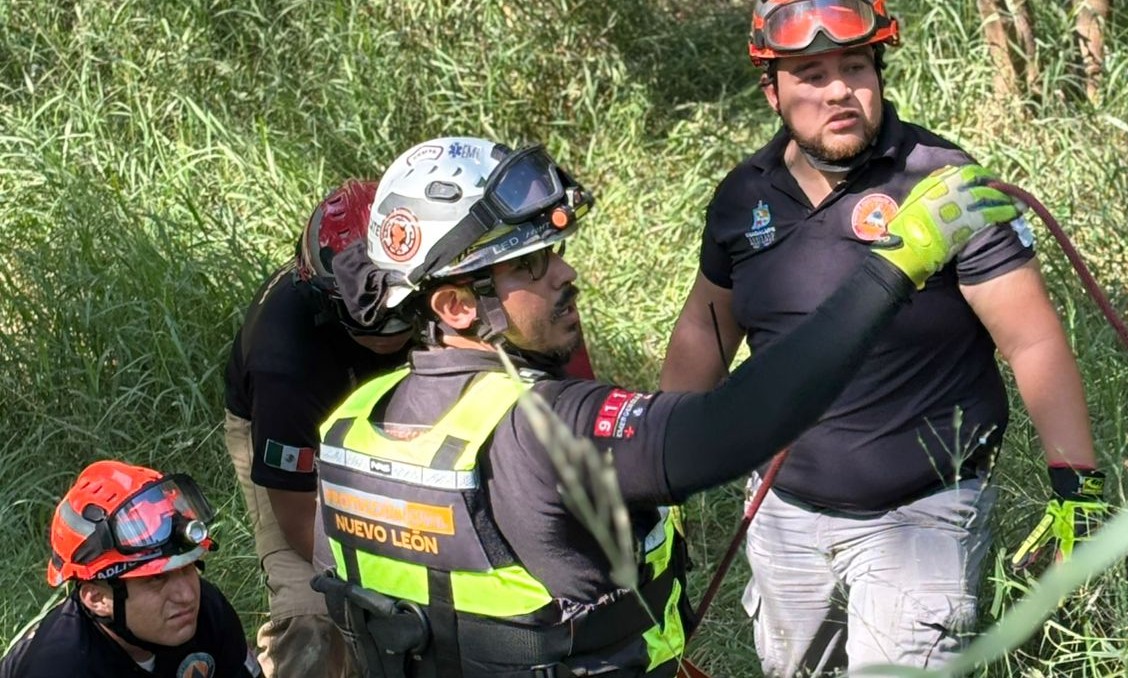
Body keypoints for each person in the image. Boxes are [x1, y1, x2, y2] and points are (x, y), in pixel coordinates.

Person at [307, 135, 1022, 677]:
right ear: (458, 304)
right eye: (531, 265)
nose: (568, 274)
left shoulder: (349, 429)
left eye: (556, 251)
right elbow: (735, 425)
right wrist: (891, 269)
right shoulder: (544, 427)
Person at [659, 1, 1108, 675]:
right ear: (771, 89)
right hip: (783, 508)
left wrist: (1078, 484)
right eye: (809, 73)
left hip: (922, 510)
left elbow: (1032, 340)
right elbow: (705, 325)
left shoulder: (942, 182)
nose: (839, 88)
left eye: (855, 66)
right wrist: (663, 471)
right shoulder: (742, 197)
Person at [223, 179, 414, 678]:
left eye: (401, 311)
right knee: (315, 616)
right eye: (371, 321)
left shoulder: (434, 278)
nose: (391, 331)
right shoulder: (283, 360)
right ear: (325, 299)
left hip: (398, 407)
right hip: (301, 436)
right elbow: (300, 522)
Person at [0, 460, 262, 678]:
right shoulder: (59, 666)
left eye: (188, 567)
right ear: (97, 598)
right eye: (157, 579)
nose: (187, 595)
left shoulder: (208, 612)